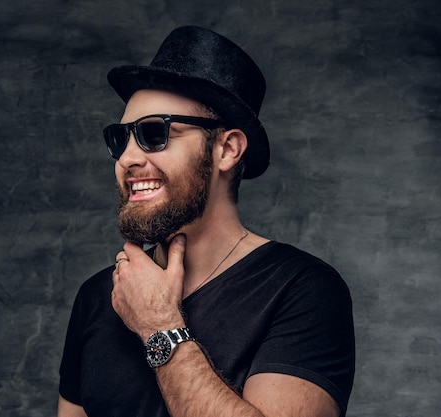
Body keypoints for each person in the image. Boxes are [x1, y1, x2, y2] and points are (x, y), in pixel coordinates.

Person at [57, 26, 355, 417]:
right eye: (121, 138)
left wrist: (158, 324)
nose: (127, 159)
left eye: (154, 133)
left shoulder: (303, 290)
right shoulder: (100, 295)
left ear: (227, 149)